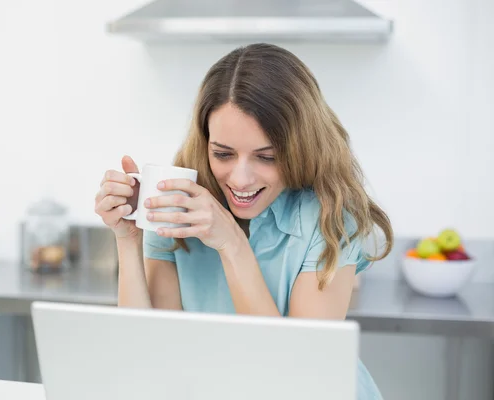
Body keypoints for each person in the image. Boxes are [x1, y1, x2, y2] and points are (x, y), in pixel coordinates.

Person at [95, 43, 393, 399]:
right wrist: (128, 239)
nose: (240, 179)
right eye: (223, 153)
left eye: (266, 156)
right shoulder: (180, 206)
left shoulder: (330, 221)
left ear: (300, 147)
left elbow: (292, 380)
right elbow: (151, 354)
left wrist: (231, 243)